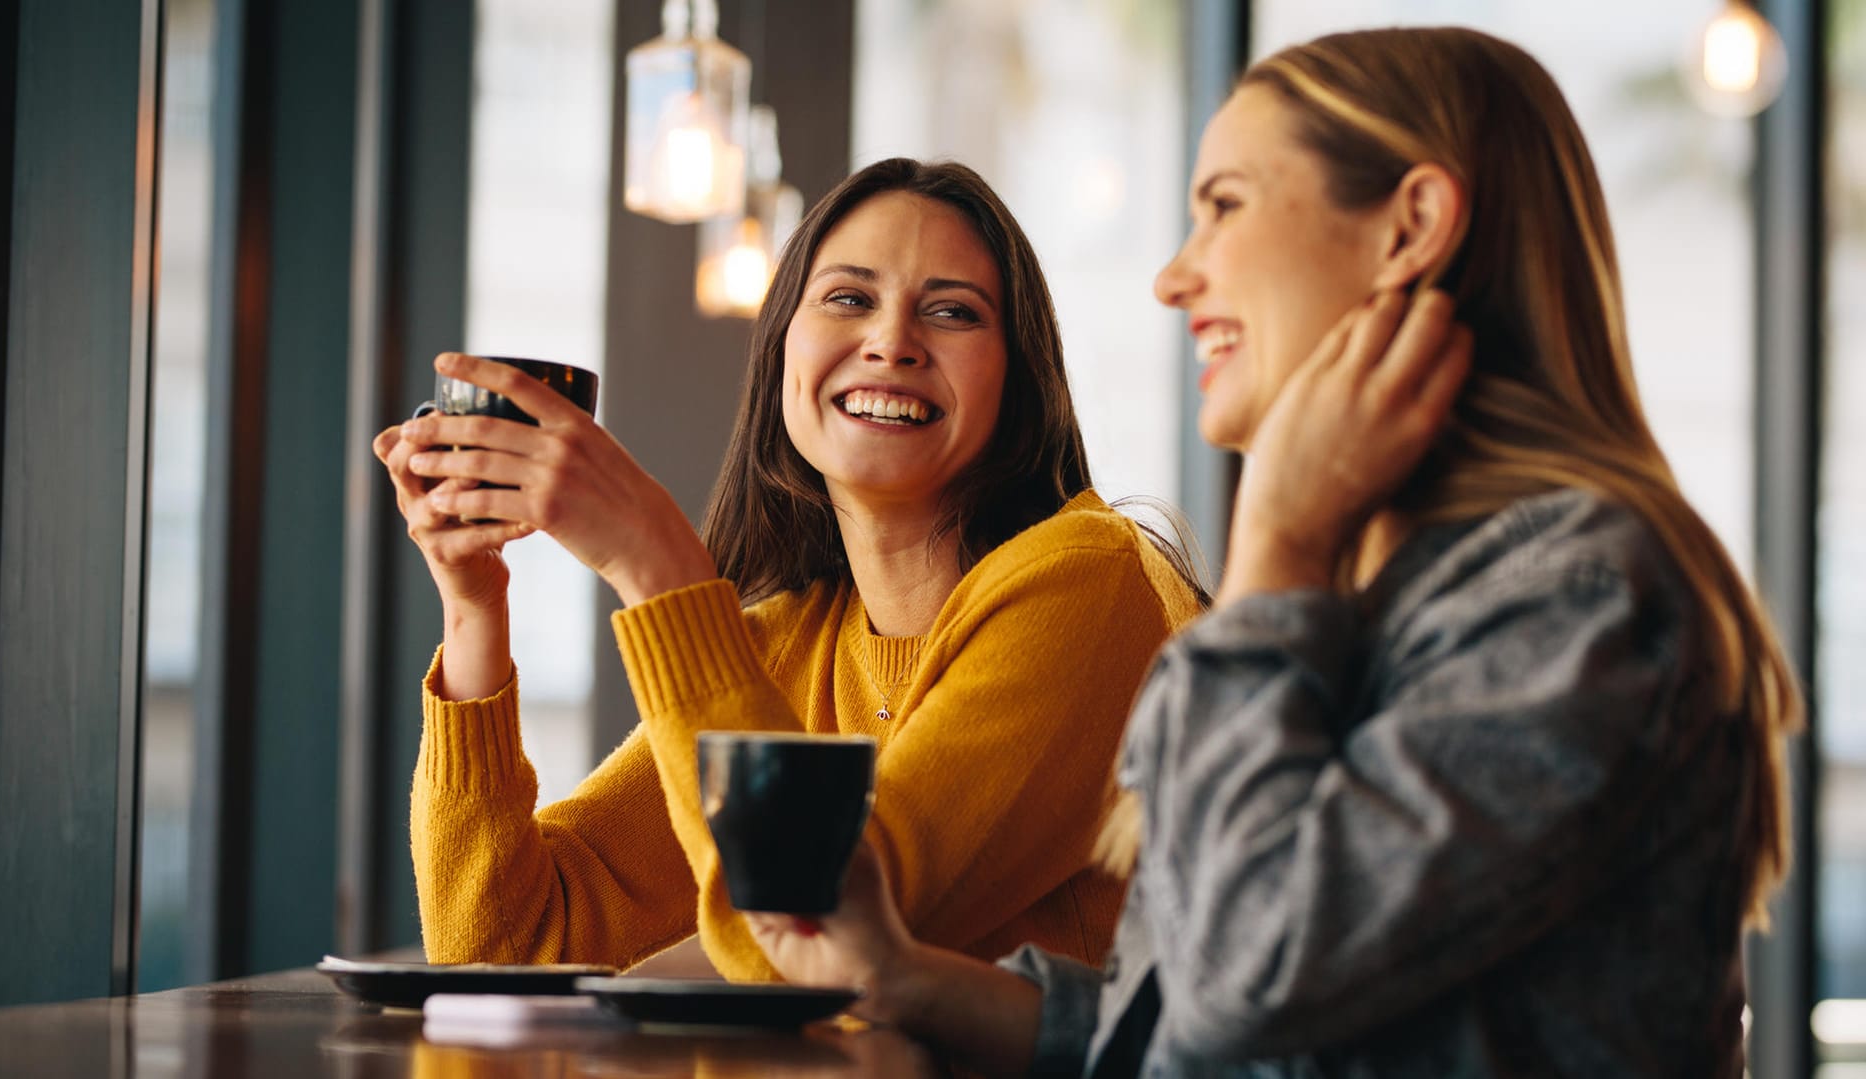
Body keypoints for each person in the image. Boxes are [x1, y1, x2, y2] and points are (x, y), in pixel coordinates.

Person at [740, 27, 1802, 1077]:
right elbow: (1189, 1024)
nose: (1174, 276)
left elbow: (1251, 978)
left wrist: (1278, 546)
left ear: (1410, 227)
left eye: (1225, 206)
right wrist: (903, 975)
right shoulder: (1382, 592)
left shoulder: (1575, 592)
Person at [373, 157, 1206, 981]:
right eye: (849, 298)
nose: (892, 342)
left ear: (1018, 381)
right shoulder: (788, 646)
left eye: (953, 312)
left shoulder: (1087, 584)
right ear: (780, 354)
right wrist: (474, 606)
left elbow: (824, 935)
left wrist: (652, 558)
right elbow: (503, 949)